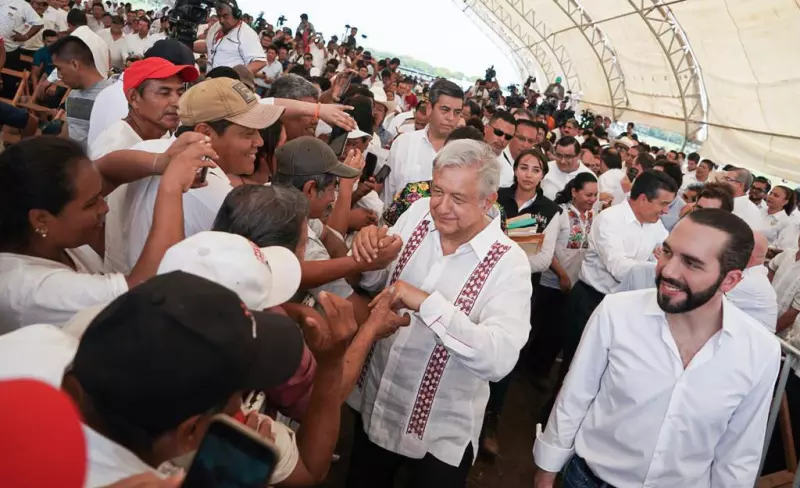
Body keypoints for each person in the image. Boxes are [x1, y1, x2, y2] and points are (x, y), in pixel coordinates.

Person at [533, 209, 780, 488]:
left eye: (692, 263)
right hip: (589, 479)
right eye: (667, 252)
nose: (668, 270)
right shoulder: (617, 312)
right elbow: (576, 396)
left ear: (730, 280)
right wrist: (547, 469)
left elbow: (738, 452)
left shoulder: (759, 352)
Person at [346, 139, 533, 488]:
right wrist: (369, 252)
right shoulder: (417, 213)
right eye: (437, 191)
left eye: (458, 199)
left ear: (488, 202)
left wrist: (425, 302)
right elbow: (375, 283)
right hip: (379, 402)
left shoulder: (509, 264)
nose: (442, 207)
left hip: (439, 432)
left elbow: (499, 358)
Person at [0, 135, 214, 331]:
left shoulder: (41, 236)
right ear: (40, 219)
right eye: (92, 203)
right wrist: (172, 186)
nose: (105, 208)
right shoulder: (33, 290)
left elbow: (107, 171)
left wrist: (162, 162)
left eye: (100, 195)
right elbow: (148, 290)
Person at [102, 77, 285, 274]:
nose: (259, 141)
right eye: (248, 133)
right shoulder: (214, 193)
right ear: (205, 132)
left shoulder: (148, 149)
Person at [539, 171, 677, 423]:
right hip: (591, 301)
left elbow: (670, 253)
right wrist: (658, 266)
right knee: (575, 367)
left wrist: (660, 262)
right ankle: (551, 424)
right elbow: (619, 268)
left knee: (606, 371)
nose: (666, 211)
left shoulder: (655, 225)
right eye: (663, 204)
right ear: (644, 199)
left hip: (627, 307)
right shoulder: (609, 220)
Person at [271, 136, 397, 323]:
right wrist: (365, 263)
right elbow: (360, 314)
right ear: (310, 189)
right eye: (333, 188)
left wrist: (352, 264)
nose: (332, 198)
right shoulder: (299, 238)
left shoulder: (280, 202)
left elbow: (331, 238)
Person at [484, 147, 560, 456]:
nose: (528, 174)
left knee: (506, 350)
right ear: (515, 170)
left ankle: (492, 417)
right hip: (484, 280)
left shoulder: (550, 210)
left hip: (519, 289)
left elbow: (543, 259)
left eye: (535, 169)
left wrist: (504, 258)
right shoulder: (495, 196)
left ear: (543, 175)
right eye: (523, 167)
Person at [529, 173, 597, 383]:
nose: (592, 199)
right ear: (574, 192)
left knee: (560, 331)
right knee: (543, 329)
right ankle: (530, 371)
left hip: (576, 283)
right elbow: (547, 249)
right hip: (552, 282)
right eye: (588, 194)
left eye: (595, 195)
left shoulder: (594, 216)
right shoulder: (561, 214)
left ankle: (541, 371)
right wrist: (562, 275)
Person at [89, 57, 198, 158]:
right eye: (164, 93)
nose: (177, 102)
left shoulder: (172, 135)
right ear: (134, 98)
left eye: (180, 93)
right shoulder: (112, 150)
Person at [382, 79, 464, 206]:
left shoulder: (464, 155)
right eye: (445, 110)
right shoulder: (404, 143)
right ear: (429, 109)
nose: (451, 118)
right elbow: (388, 193)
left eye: (457, 112)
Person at [50, 35, 115, 147]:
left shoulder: (110, 96)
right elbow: (68, 134)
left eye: (59, 69)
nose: (59, 76)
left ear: (75, 64)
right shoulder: (72, 95)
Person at [725, 231, 777, 332]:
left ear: (749, 257)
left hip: (750, 344)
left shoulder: (749, 282)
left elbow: (706, 298)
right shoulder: (752, 274)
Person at [200, 2, 266, 74]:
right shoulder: (216, 26)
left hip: (229, 83)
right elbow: (208, 46)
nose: (221, 20)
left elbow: (259, 62)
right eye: (219, 16)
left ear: (236, 14)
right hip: (210, 80)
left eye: (225, 16)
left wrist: (234, 76)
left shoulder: (247, 33)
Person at [769, 233, 800, 335]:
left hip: (780, 327)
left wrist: (771, 331)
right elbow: (772, 267)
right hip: (763, 308)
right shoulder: (787, 254)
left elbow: (793, 312)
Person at [483, 110, 517, 188]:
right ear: (486, 128)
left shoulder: (508, 175)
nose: (502, 139)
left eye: (508, 137)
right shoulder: (466, 150)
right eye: (498, 132)